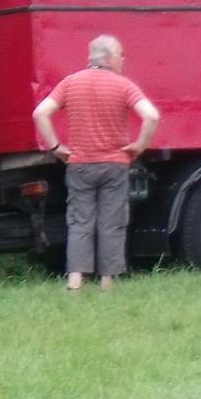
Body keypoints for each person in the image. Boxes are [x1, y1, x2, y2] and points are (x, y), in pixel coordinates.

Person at [32, 35, 161, 291]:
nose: (123, 60)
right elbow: (152, 116)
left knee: (80, 223)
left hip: (80, 164)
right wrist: (140, 145)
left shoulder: (71, 83)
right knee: (111, 223)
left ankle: (75, 282)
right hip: (114, 165)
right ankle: (106, 283)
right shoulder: (123, 86)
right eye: (121, 55)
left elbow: (40, 113)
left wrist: (56, 147)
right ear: (111, 58)